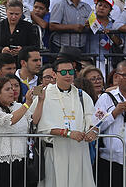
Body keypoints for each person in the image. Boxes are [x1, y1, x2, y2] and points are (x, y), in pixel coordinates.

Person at [35, 58, 97, 187]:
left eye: (70, 72)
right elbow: (37, 124)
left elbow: (92, 119)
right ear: (54, 74)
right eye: (63, 72)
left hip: (79, 150)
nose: (68, 75)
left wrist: (92, 131)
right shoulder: (42, 93)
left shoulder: (82, 95)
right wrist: (67, 133)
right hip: (55, 151)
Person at [0, 74, 44, 187]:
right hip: (4, 162)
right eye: (7, 89)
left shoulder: (18, 106)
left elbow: (34, 120)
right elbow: (10, 120)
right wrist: (27, 104)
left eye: (12, 88)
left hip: (24, 159)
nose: (12, 91)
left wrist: (41, 101)